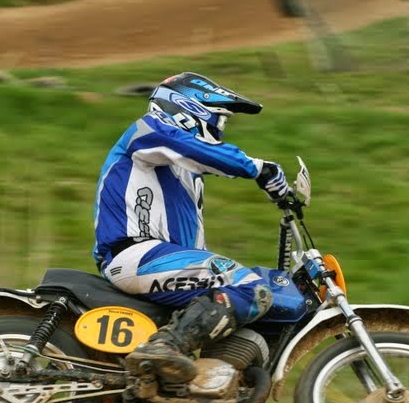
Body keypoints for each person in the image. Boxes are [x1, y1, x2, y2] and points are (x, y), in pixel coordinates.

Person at [93, 72, 292, 384]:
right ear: (189, 109)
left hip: (156, 258)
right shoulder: (149, 131)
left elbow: (193, 246)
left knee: (244, 297)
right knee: (248, 287)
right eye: (219, 119)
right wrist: (259, 169)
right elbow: (194, 148)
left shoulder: (183, 170)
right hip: (135, 254)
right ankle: (165, 346)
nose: (219, 129)